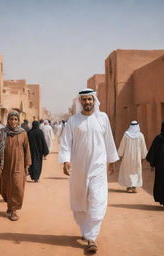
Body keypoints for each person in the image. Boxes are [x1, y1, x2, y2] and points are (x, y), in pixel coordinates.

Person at [59, 88, 119, 254]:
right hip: (79, 168)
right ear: (80, 102)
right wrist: (65, 160)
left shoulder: (102, 118)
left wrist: (111, 160)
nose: (87, 103)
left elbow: (109, 140)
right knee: (80, 200)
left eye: (90, 100)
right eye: (84, 100)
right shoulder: (73, 121)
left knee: (98, 200)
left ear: (94, 101)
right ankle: (86, 230)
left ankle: (92, 237)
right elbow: (65, 142)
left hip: (98, 167)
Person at [0, 111, 31, 221]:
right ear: (7, 120)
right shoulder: (2, 132)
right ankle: (10, 204)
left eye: (15, 119)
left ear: (18, 121)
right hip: (5, 166)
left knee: (18, 188)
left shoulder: (23, 133)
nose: (13, 121)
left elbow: (27, 150)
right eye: (11, 119)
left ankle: (13, 210)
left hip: (19, 166)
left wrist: (27, 165)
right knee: (5, 188)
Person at [118, 121, 148, 193]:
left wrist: (120, 154)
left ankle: (129, 187)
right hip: (137, 156)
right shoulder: (140, 135)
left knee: (128, 170)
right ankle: (134, 187)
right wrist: (143, 156)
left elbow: (122, 146)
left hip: (127, 156)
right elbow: (143, 147)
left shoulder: (126, 134)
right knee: (136, 171)